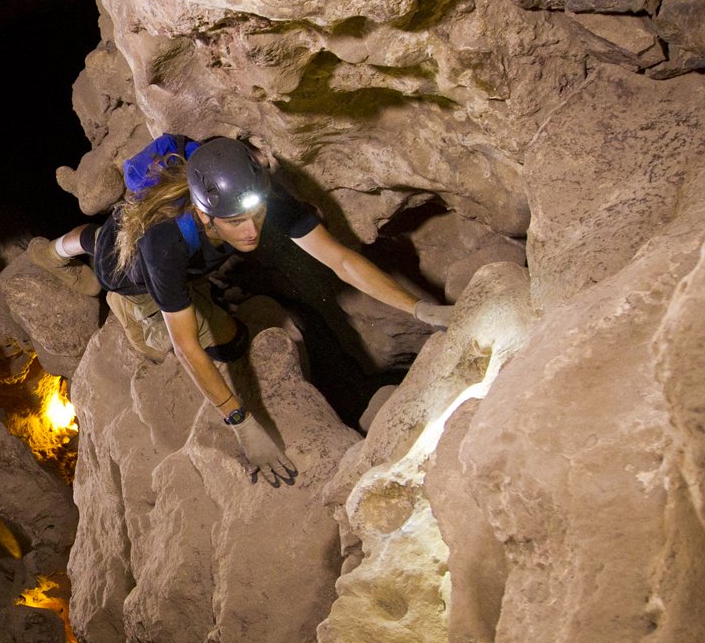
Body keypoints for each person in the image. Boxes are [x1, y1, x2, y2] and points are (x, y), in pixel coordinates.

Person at [30, 137, 451, 487]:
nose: (251, 230)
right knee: (114, 259)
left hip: (191, 262)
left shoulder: (253, 199)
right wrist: (242, 422)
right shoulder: (162, 245)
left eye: (256, 216)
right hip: (133, 277)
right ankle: (56, 257)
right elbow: (186, 346)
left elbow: (340, 260)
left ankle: (68, 252)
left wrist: (418, 308)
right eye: (235, 222)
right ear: (203, 212)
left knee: (156, 262)